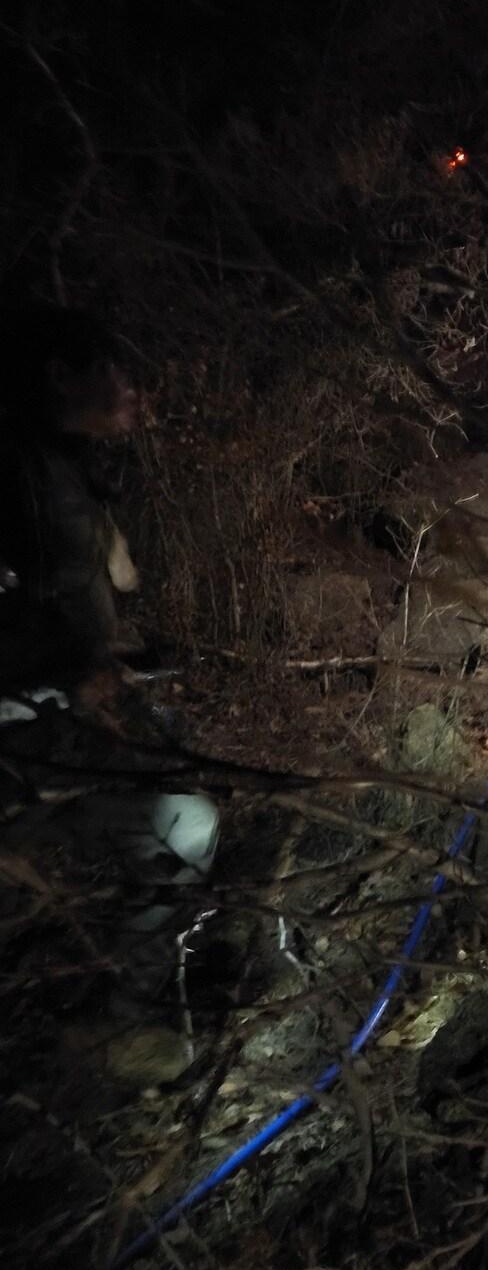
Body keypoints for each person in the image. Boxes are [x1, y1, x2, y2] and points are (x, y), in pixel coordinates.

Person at [0, 304, 220, 1079]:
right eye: (115, 372)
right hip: (21, 726)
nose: (133, 390)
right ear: (62, 375)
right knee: (180, 822)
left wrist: (110, 651)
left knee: (174, 796)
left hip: (49, 711)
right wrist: (59, 669)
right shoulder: (22, 472)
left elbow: (73, 593)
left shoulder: (61, 468)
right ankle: (122, 1028)